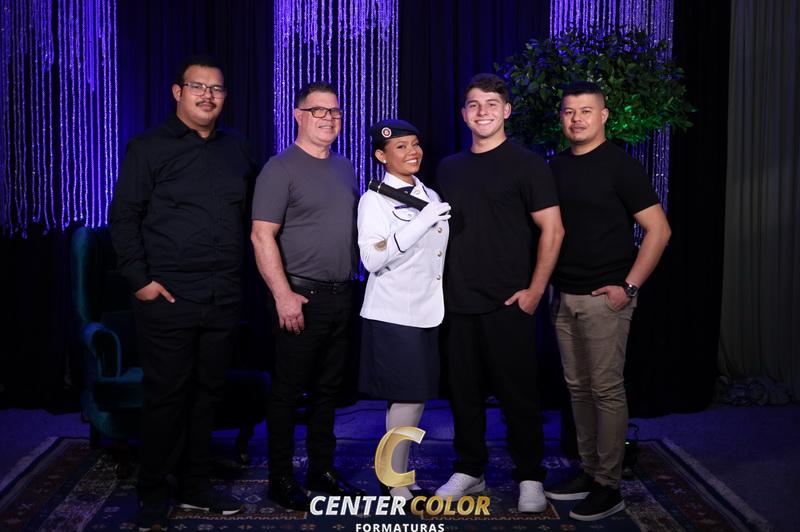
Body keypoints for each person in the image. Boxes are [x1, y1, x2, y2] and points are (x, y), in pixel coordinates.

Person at [109, 55, 253, 530]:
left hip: (223, 293)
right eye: (198, 87)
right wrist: (140, 282)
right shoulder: (148, 148)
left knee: (209, 394)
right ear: (178, 92)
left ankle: (195, 487)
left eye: (216, 88)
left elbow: (253, 217)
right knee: (167, 396)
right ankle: (152, 493)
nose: (208, 96)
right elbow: (124, 217)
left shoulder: (237, 149)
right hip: (168, 294)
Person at [435, 73, 565, 513]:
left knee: (519, 395)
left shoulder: (528, 164)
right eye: (474, 104)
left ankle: (530, 476)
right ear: (463, 114)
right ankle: (470, 469)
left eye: (492, 104)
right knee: (463, 393)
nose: (483, 111)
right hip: (458, 300)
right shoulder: (449, 167)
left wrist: (535, 291)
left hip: (511, 301)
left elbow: (553, 230)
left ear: (506, 111)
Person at [545, 81, 671, 521]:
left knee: (605, 390)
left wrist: (629, 286)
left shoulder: (620, 166)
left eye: (586, 111)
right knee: (578, 389)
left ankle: (608, 485)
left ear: (603, 117)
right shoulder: (555, 166)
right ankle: (588, 470)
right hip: (564, 295)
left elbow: (659, 230)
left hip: (606, 298)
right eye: (569, 111)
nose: (576, 118)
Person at [251, 81, 364, 511]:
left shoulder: (345, 167)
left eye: (335, 111)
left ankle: (322, 470)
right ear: (298, 115)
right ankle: (280, 478)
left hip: (341, 295)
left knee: (328, 391)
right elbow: (262, 235)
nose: (329, 118)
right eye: (319, 111)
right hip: (299, 296)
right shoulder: (279, 168)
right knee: (287, 392)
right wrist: (283, 295)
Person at [358, 119, 450, 503]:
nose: (413, 152)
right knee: (407, 397)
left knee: (415, 399)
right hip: (393, 312)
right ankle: (392, 480)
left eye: (415, 144)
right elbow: (371, 258)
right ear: (382, 156)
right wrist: (421, 222)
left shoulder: (429, 192)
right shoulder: (374, 200)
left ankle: (397, 475)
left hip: (427, 310)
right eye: (401, 147)